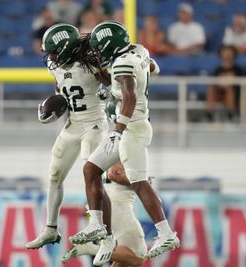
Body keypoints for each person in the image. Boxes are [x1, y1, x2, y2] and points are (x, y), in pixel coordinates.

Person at [69, 21, 179, 266]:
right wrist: (105, 79)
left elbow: (129, 95)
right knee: (91, 168)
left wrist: (117, 130)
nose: (98, 52)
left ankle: (166, 233)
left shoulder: (123, 62)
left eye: (100, 47)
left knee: (140, 183)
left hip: (131, 129)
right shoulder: (138, 51)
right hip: (131, 125)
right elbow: (152, 67)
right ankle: (97, 225)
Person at [26, 23, 112, 253]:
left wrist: (108, 91)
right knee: (54, 174)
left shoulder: (92, 62)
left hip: (94, 124)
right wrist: (55, 106)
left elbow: (112, 84)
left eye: (54, 51)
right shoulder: (55, 65)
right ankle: (51, 228)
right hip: (73, 125)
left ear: (65, 48)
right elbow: (60, 87)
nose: (50, 57)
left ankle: (103, 233)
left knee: (91, 175)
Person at [62, 163, 147, 267]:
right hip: (117, 207)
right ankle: (91, 248)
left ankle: (92, 247)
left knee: (122, 261)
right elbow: (114, 174)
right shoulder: (122, 155)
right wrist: (142, 181)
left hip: (111, 206)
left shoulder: (104, 157)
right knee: (138, 258)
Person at [206, 45, 243, 122]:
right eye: (225, 53)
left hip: (234, 94)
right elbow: (214, 83)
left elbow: (241, 86)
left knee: (229, 90)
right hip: (219, 92)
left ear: (233, 55)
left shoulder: (238, 70)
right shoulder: (217, 70)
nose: (227, 55)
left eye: (229, 53)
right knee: (211, 89)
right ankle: (209, 114)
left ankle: (231, 114)